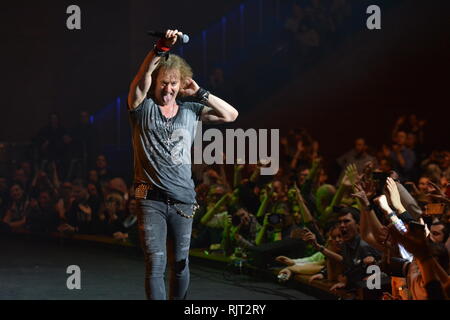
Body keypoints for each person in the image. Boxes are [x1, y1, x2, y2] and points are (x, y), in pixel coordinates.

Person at [127, 29, 238, 300]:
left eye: (174, 83)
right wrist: (160, 49)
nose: (168, 88)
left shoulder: (191, 110)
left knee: (180, 264)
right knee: (155, 264)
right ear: (155, 83)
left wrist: (199, 92)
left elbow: (230, 114)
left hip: (183, 200)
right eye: (163, 82)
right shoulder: (141, 107)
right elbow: (141, 79)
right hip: (148, 198)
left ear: (181, 84)